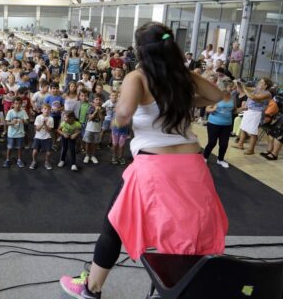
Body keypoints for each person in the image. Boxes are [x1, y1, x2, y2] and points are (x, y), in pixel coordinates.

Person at [59, 22, 226, 299]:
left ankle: (92, 288)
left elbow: (123, 115)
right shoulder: (183, 75)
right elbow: (216, 96)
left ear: (141, 50)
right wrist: (179, 101)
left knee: (113, 225)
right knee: (186, 229)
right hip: (193, 166)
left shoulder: (138, 77)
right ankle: (177, 288)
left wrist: (129, 112)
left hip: (154, 166)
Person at [233, 78, 273, 155]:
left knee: (253, 132)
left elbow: (253, 98)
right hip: (250, 111)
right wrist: (240, 84)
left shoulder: (267, 93)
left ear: (265, 85)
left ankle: (251, 149)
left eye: (261, 82)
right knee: (243, 128)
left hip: (257, 113)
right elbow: (246, 88)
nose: (259, 83)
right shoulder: (257, 89)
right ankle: (240, 144)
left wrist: (245, 89)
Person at [203, 81, 237, 168]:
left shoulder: (233, 98)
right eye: (230, 87)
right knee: (212, 142)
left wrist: (243, 109)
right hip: (214, 123)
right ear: (224, 88)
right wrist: (213, 109)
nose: (231, 89)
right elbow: (207, 109)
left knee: (224, 144)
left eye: (232, 87)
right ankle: (205, 157)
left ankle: (220, 160)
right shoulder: (216, 97)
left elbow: (234, 110)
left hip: (227, 124)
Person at [4, 97, 28, 168]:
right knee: (10, 147)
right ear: (13, 104)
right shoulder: (10, 112)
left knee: (19, 147)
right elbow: (6, 123)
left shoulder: (23, 111)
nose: (17, 105)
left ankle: (19, 160)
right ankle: (7, 160)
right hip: (11, 133)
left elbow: (27, 122)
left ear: (21, 104)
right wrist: (12, 122)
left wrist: (23, 121)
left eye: (19, 103)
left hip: (20, 133)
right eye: (16, 103)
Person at [30, 103, 54, 170]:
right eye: (45, 109)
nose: (46, 110)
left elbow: (49, 130)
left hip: (47, 137)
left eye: (48, 109)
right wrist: (42, 124)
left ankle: (47, 162)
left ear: (50, 110)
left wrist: (45, 124)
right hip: (38, 137)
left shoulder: (51, 119)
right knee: (35, 151)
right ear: (41, 110)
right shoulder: (38, 117)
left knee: (49, 152)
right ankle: (34, 161)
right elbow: (37, 129)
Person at [83, 96, 104, 164]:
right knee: (87, 142)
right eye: (96, 99)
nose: (98, 101)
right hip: (89, 129)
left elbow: (102, 119)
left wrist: (99, 111)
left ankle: (93, 156)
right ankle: (87, 155)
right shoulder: (90, 108)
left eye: (99, 99)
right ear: (93, 101)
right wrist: (95, 111)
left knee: (95, 144)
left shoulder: (103, 109)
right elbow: (89, 118)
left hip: (97, 129)